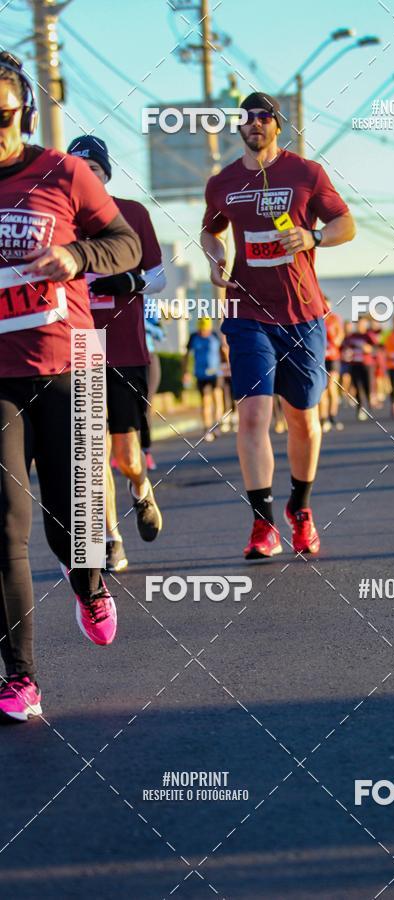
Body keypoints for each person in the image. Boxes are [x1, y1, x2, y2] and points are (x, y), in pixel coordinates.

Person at [0, 53, 141, 720]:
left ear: (22, 112)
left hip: (69, 362)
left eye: (3, 117)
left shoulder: (64, 172)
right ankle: (20, 676)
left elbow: (125, 246)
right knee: (4, 527)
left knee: (74, 522)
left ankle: (88, 584)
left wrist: (76, 256)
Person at [200, 91, 355, 559]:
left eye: (263, 118)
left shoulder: (306, 173)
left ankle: (300, 509)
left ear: (276, 125)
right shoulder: (222, 182)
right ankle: (262, 522)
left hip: (303, 313)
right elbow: (211, 229)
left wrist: (312, 235)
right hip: (247, 312)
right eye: (245, 119)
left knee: (303, 420)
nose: (254, 125)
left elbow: (346, 223)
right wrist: (215, 257)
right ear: (239, 128)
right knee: (252, 415)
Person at [67, 135, 166, 575]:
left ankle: (141, 488)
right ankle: (109, 538)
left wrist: (129, 284)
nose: (86, 177)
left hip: (125, 348)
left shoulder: (133, 214)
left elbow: (159, 277)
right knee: (91, 450)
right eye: (76, 169)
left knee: (126, 456)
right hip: (81, 346)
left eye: (93, 169)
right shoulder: (60, 220)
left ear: (105, 175)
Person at [182, 317, 223, 442]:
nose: (203, 332)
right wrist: (185, 372)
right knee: (205, 401)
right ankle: (207, 428)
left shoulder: (215, 335)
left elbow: (224, 351)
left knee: (217, 397)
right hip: (201, 374)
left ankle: (217, 424)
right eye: (201, 330)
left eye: (205, 330)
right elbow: (186, 355)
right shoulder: (194, 337)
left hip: (216, 373)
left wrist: (228, 365)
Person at [142, 304, 165, 469]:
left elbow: (161, 334)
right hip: (122, 358)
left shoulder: (147, 302)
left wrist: (140, 322)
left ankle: (146, 451)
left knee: (145, 405)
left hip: (147, 357)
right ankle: (119, 453)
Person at [341, 319, 375, 420]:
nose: (360, 326)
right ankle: (360, 408)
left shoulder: (368, 336)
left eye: (362, 324)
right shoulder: (351, 337)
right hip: (354, 365)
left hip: (367, 365)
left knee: (367, 386)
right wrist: (347, 353)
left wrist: (368, 348)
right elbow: (344, 348)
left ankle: (369, 403)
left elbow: (375, 348)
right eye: (358, 324)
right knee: (357, 387)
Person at [319, 298, 344, 432]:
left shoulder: (335, 319)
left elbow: (340, 338)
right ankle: (323, 419)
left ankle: (333, 416)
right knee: (322, 390)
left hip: (333, 358)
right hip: (320, 359)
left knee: (332, 387)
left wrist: (334, 339)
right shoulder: (316, 318)